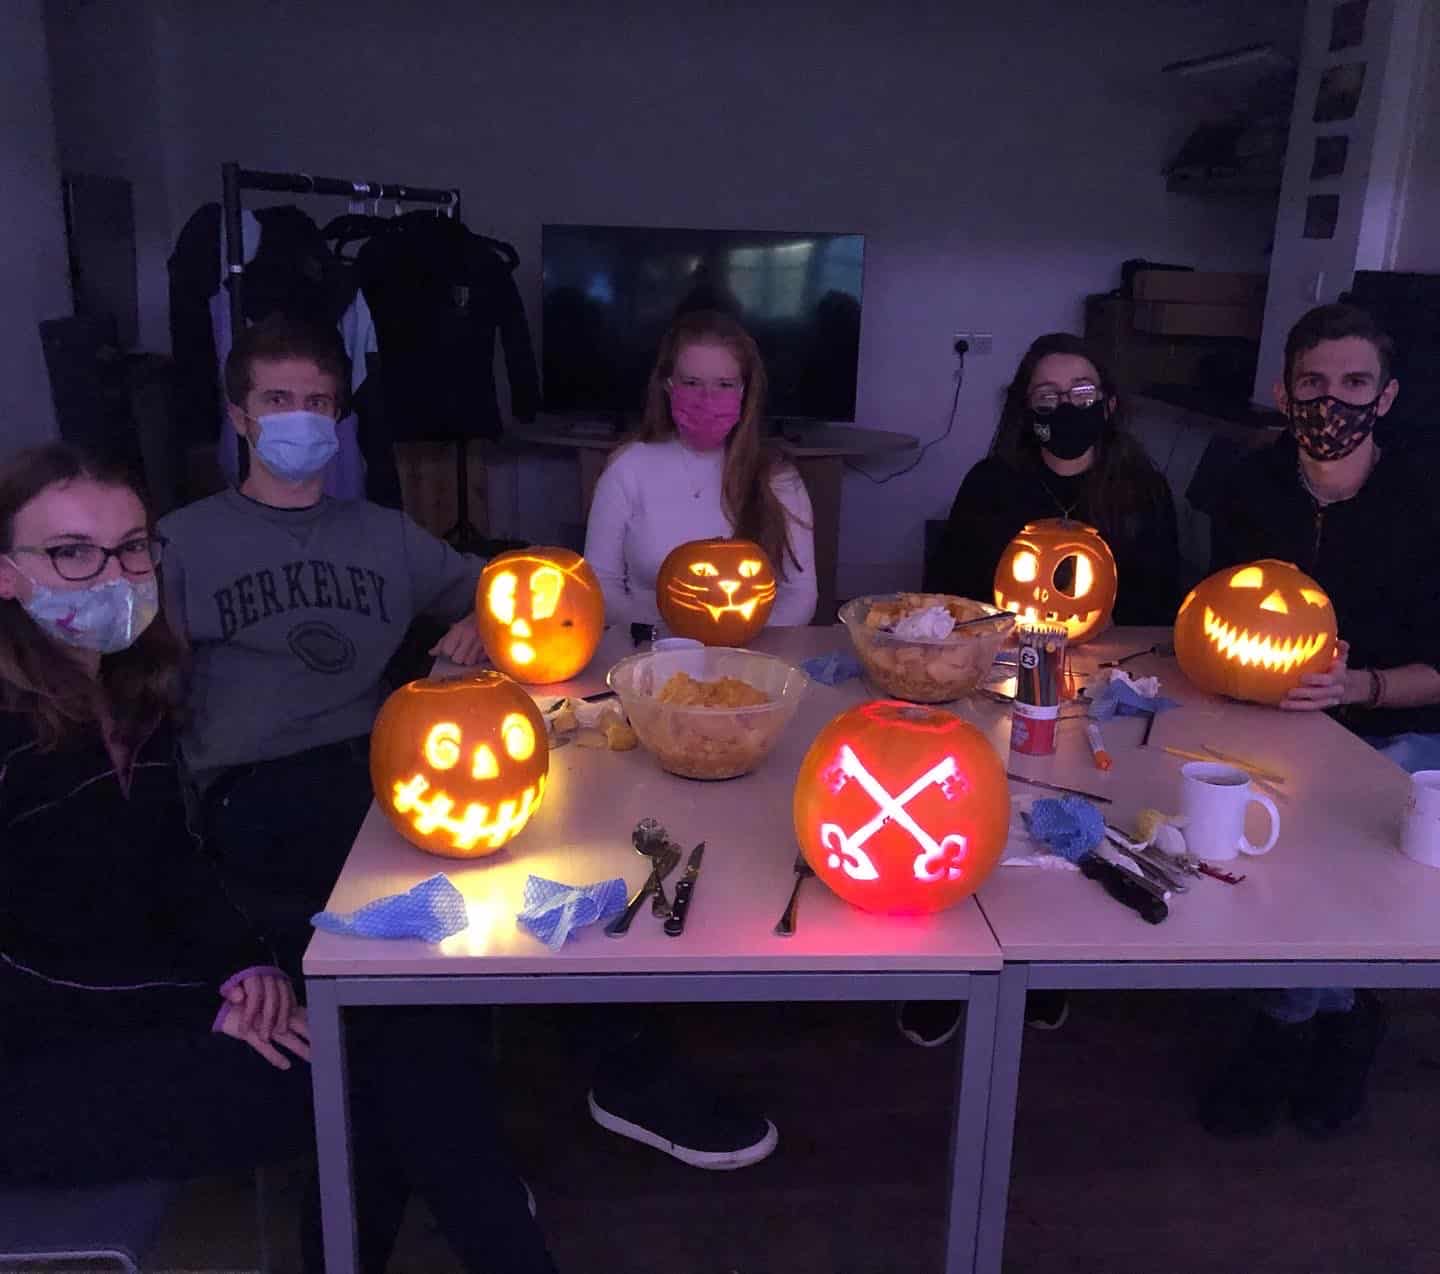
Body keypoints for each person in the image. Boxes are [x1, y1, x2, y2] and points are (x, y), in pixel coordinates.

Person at [0, 443, 556, 1272]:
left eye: (130, 547)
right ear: (7, 573)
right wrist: (205, 1004)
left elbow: (172, 868)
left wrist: (243, 968)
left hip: (152, 997)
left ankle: (458, 1219)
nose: (110, 573)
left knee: (408, 1010)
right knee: (374, 1080)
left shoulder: (126, 688)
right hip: (43, 1060)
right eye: (71, 552)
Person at [158, 315, 486, 975]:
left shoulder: (385, 533)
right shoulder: (179, 543)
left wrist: (484, 615)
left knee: (517, 832)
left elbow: (517, 590)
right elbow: (135, 688)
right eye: (277, 400)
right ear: (240, 416)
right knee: (423, 891)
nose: (299, 417)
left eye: (317, 403)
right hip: (254, 778)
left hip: (381, 757)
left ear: (337, 418)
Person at [1199, 302, 1440, 1139]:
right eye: (1313, 383)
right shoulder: (1247, 485)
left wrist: (1362, 687)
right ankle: (1329, 1007)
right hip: (1270, 713)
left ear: (1388, 396)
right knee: (1231, 817)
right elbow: (1219, 622)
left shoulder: (1426, 498)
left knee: (1330, 835)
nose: (1330, 402)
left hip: (1394, 722)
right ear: (1284, 391)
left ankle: (1297, 1019)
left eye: (1353, 384)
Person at [584, 309, 818, 627]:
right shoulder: (627, 469)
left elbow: (801, 596)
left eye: (724, 384)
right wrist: (677, 634)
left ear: (744, 391)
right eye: (692, 382)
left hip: (753, 659)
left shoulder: (779, 478)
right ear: (669, 386)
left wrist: (734, 641)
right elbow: (599, 584)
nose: (707, 398)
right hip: (650, 654)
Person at [939, 332, 1180, 624]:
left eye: (1083, 393)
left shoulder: (1145, 491)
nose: (1066, 407)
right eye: (1047, 396)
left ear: (1109, 404)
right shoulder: (988, 484)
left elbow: (1159, 608)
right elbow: (948, 599)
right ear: (1027, 410)